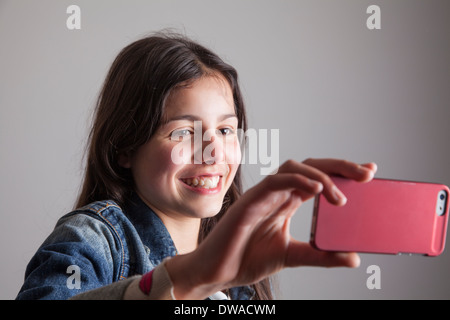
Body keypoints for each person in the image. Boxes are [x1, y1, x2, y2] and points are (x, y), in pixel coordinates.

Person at [16, 32, 377, 300]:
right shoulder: (92, 239)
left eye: (224, 130)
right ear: (125, 148)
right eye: (184, 132)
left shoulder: (242, 265)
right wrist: (186, 278)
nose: (214, 151)